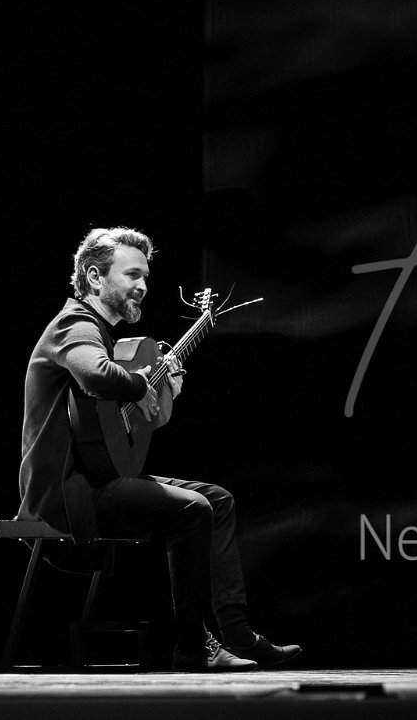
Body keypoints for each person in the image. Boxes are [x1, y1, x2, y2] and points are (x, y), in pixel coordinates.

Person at [18, 226, 300, 672]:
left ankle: (238, 635)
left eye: (145, 277)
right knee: (192, 508)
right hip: (67, 494)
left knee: (218, 500)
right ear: (94, 278)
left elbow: (117, 426)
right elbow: (97, 377)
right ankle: (193, 646)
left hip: (98, 477)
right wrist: (141, 384)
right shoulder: (75, 325)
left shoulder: (103, 335)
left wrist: (161, 394)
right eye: (132, 275)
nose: (143, 286)